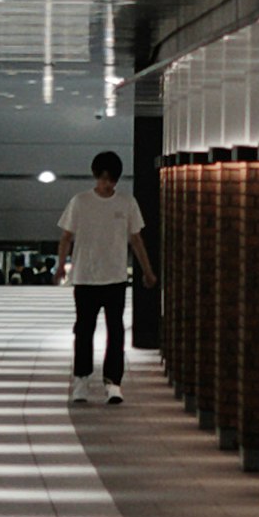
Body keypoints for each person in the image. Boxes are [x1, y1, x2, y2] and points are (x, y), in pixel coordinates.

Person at [55, 150, 158, 407]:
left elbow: (136, 239)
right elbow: (66, 236)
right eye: (102, 178)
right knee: (84, 330)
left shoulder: (126, 203)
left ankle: (113, 383)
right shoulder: (80, 202)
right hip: (85, 277)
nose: (106, 184)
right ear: (95, 176)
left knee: (116, 332)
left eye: (111, 179)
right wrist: (61, 266)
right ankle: (81, 380)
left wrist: (147, 270)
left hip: (115, 277)